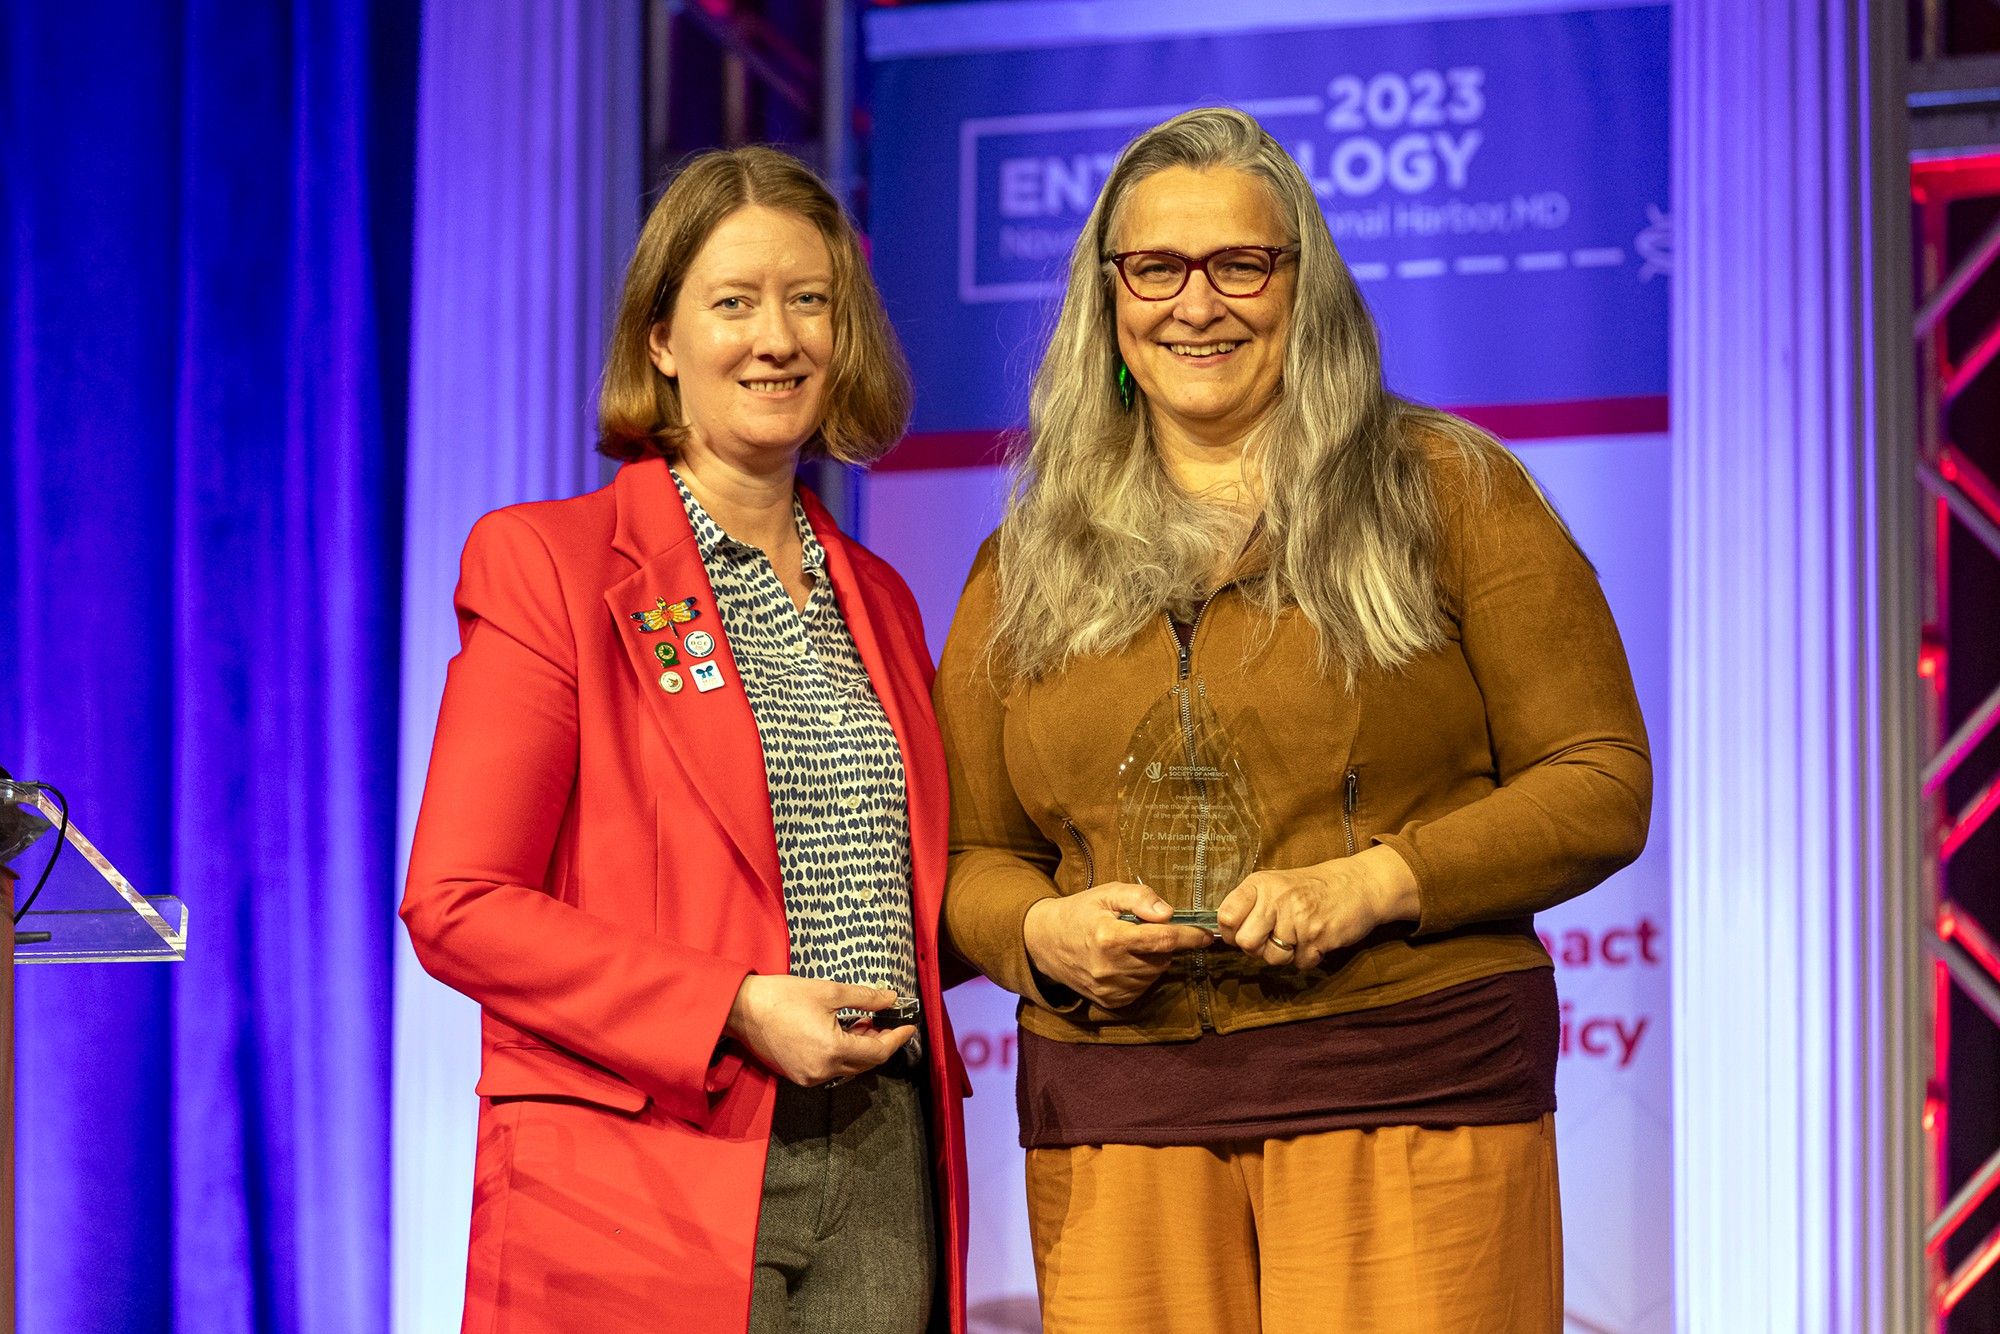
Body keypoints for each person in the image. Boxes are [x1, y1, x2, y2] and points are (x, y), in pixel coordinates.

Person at [936, 107, 1651, 1332]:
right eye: (1154, 268)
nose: (1194, 304)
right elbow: (967, 861)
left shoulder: (1448, 488)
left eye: (1240, 264)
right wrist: (1044, 932)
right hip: (1119, 1120)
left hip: (1411, 1087)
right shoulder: (1024, 562)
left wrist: (1377, 882)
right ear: (1106, 300)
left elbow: (1598, 777)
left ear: (1301, 286)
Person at [403, 145, 970, 1334]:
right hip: (644, 1163)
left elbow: (901, 896)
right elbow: (456, 901)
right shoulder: (546, 562)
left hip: (881, 1152)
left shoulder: (883, 597)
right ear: (660, 337)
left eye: (808, 299)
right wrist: (733, 1006)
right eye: (734, 301)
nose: (778, 338)